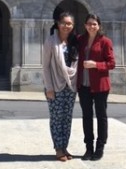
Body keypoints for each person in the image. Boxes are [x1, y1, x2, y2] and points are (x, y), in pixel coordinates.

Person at [77, 13, 115, 161]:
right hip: (84, 85)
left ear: (99, 26)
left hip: (100, 85)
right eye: (89, 24)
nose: (92, 26)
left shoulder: (105, 41)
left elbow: (111, 63)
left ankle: (100, 148)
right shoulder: (80, 40)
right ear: (85, 25)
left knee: (101, 116)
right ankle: (88, 148)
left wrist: (95, 65)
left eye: (94, 24)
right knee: (86, 117)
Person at [42, 12, 78, 162]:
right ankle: (58, 149)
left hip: (71, 85)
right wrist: (49, 87)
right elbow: (45, 67)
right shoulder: (51, 41)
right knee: (57, 118)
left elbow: (76, 64)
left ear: (73, 25)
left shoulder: (75, 43)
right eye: (64, 23)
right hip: (54, 85)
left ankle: (64, 146)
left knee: (67, 118)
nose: (66, 26)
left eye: (69, 23)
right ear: (58, 23)